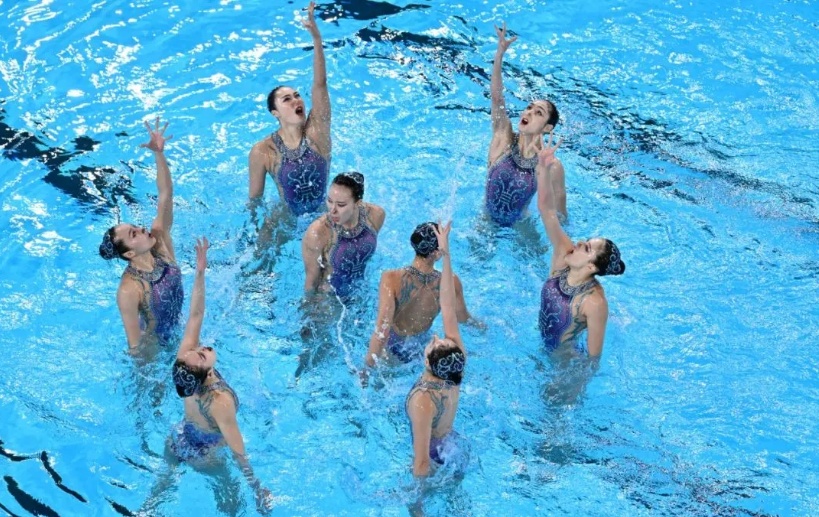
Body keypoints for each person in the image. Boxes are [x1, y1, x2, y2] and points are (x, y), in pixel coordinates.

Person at [170, 237, 272, 513]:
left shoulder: (185, 364)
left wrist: (200, 273)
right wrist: (257, 488)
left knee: (159, 492)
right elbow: (238, 451)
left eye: (198, 349)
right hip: (205, 455)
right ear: (205, 373)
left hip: (177, 438)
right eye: (202, 355)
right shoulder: (219, 402)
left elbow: (195, 316)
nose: (203, 347)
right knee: (231, 502)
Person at [535, 135, 625, 357]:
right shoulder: (562, 255)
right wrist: (543, 169)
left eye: (587, 248)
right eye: (585, 241)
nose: (579, 243)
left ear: (591, 267)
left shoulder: (594, 302)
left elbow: (593, 359)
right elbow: (547, 211)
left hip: (564, 360)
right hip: (540, 343)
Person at [99, 118, 183, 350]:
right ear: (129, 254)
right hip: (155, 346)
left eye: (136, 226)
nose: (142, 229)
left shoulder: (160, 241)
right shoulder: (129, 289)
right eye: (134, 234)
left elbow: (166, 194)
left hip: (180, 328)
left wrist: (159, 154)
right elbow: (135, 344)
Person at [248, 1, 331, 217]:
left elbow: (320, 85)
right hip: (287, 219)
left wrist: (317, 40)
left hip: (324, 214)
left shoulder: (318, 132)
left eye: (297, 95)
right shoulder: (262, 151)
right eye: (287, 99)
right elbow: (255, 201)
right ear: (275, 113)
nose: (296, 101)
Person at [364, 222, 479, 368]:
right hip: (422, 348)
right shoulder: (451, 282)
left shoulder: (391, 278)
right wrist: (480, 326)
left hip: (394, 345)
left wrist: (367, 368)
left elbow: (382, 330)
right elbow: (462, 318)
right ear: (438, 252)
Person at [486, 23, 566, 227]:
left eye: (538, 113)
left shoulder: (551, 165)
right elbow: (497, 98)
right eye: (529, 107)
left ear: (547, 128)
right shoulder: (503, 138)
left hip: (520, 226)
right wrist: (499, 54)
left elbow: (560, 214)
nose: (528, 112)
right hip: (485, 220)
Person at [405, 221, 468, 477]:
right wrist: (446, 253)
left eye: (434, 343)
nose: (434, 336)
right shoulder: (456, 370)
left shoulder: (423, 400)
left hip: (435, 458)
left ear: (427, 363)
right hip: (454, 448)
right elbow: (448, 307)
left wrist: (415, 498)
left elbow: (421, 463)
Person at [301, 172, 385, 298]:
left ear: (358, 203)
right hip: (329, 299)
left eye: (341, 205)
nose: (332, 210)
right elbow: (311, 284)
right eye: (329, 201)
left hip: (360, 291)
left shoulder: (375, 215)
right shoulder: (318, 233)